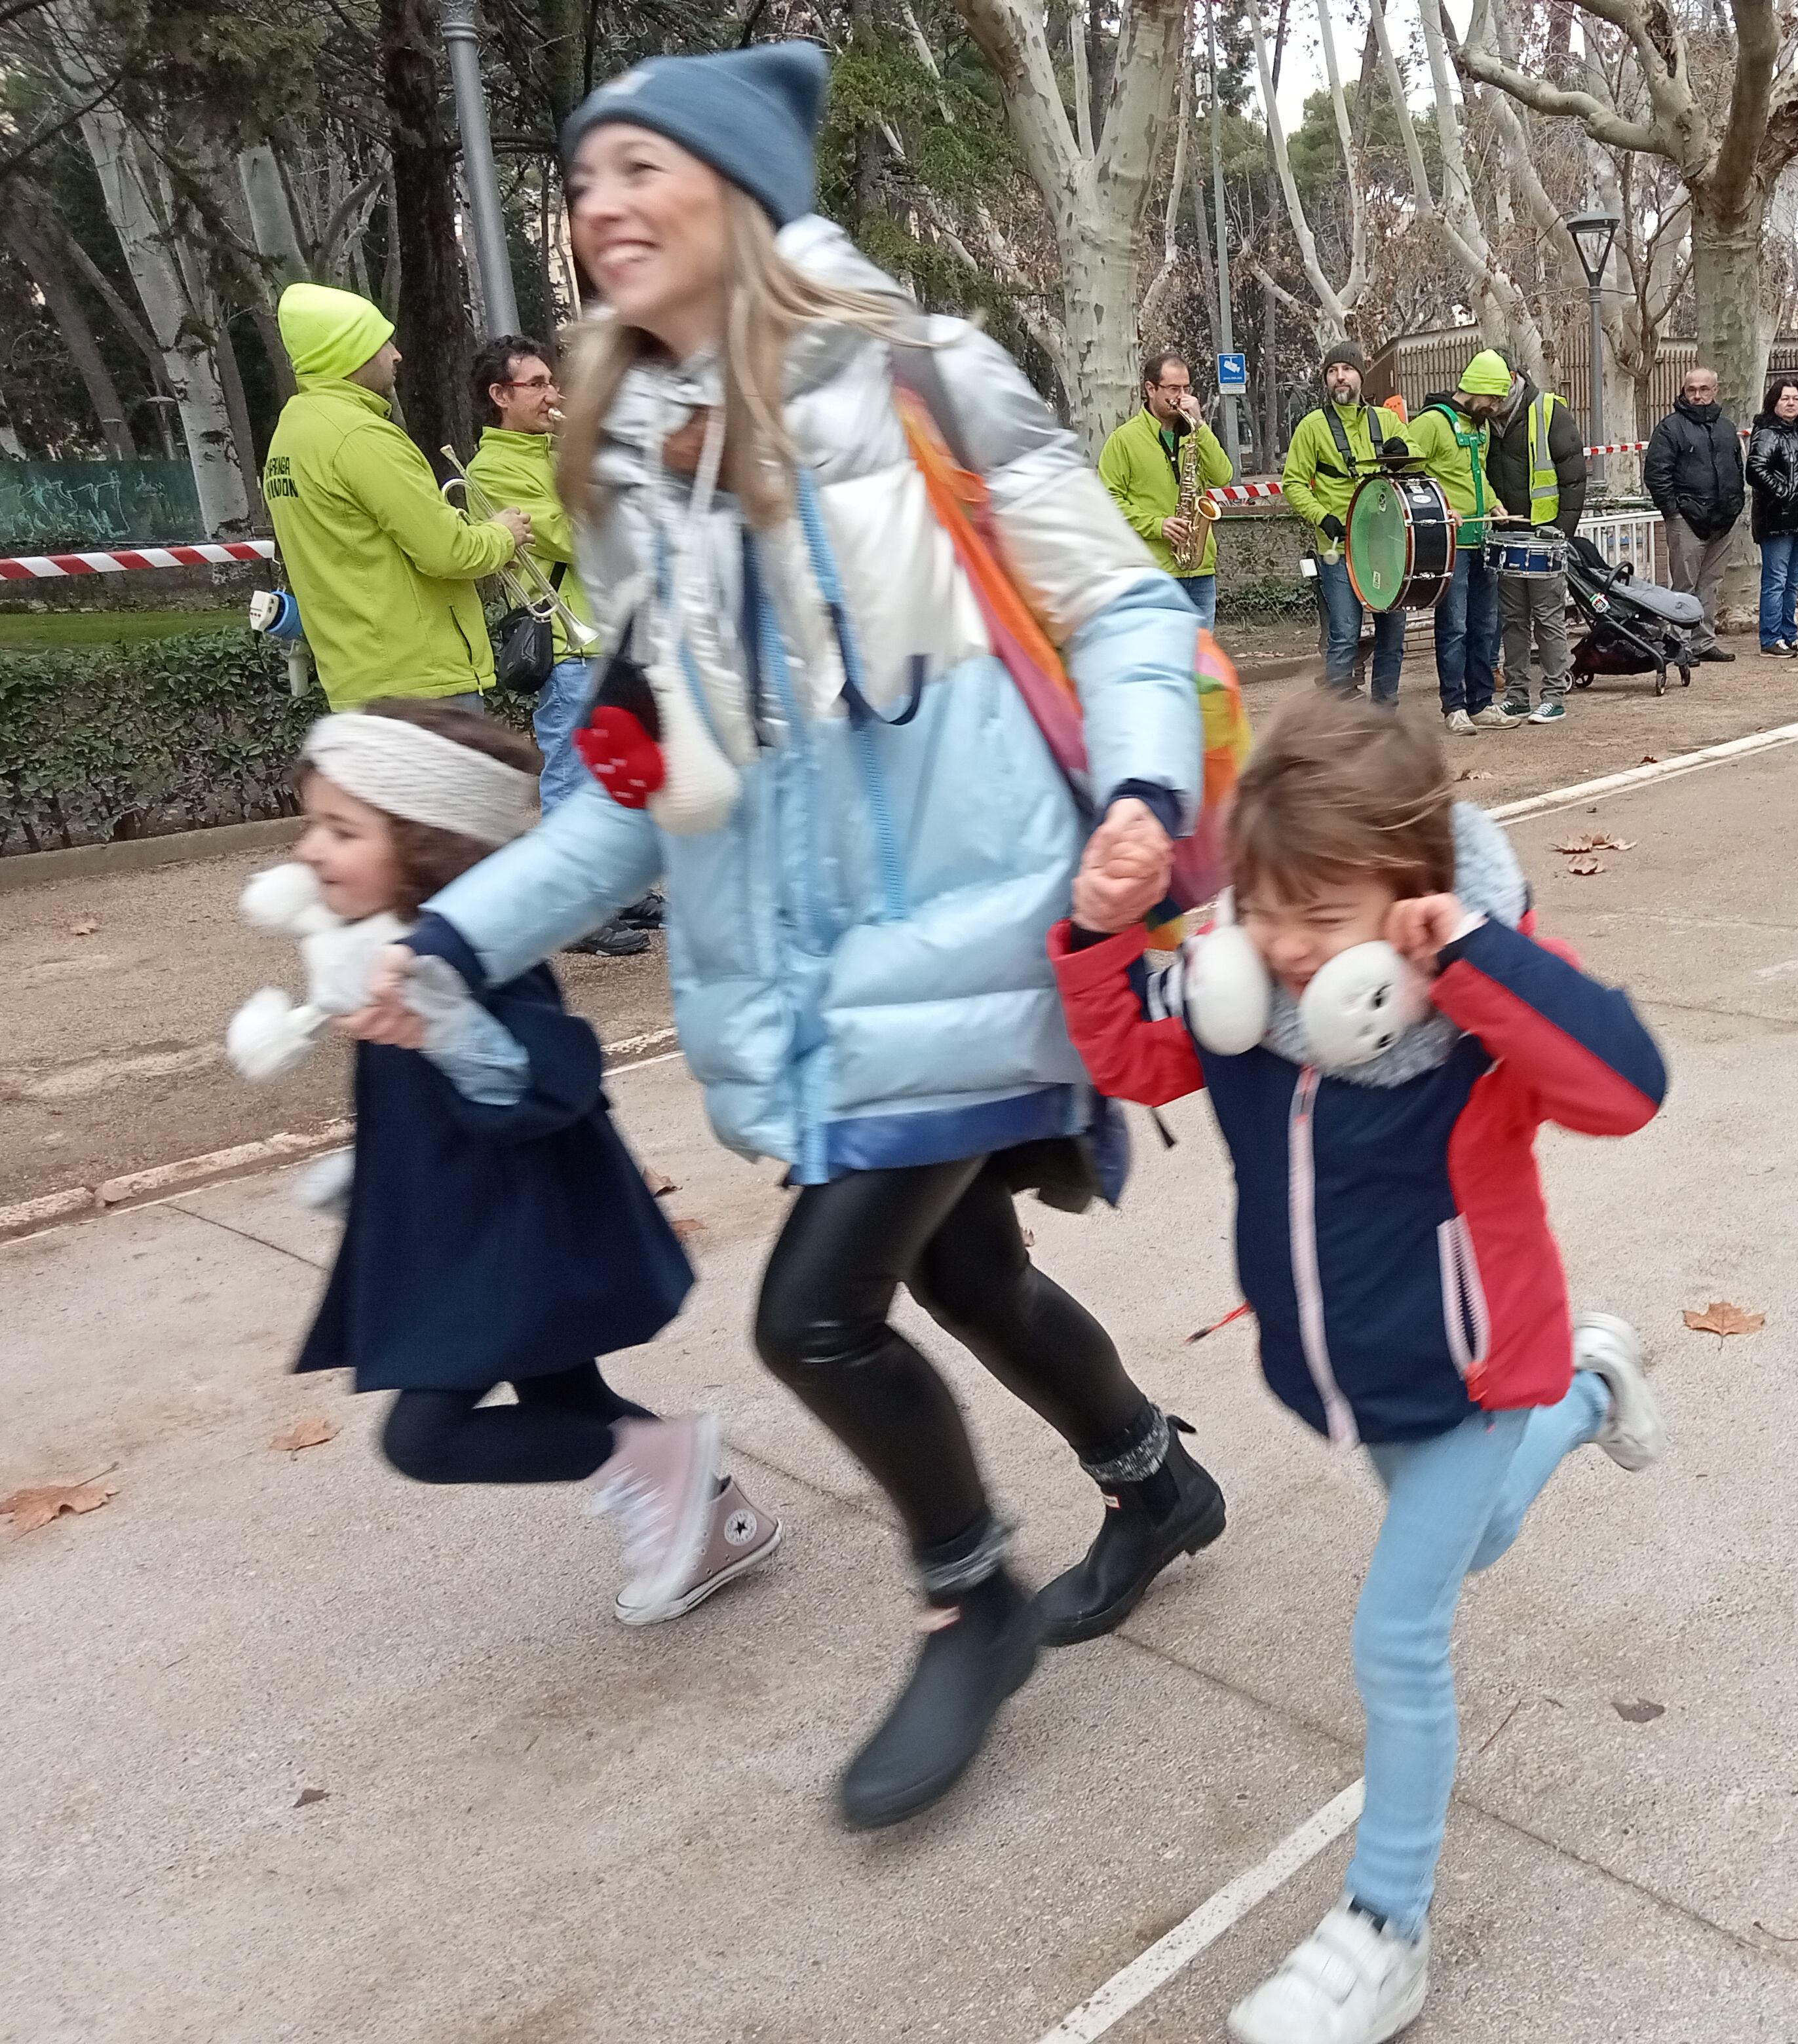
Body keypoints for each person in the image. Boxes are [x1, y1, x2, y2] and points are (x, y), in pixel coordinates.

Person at [356, 42, 1227, 1832]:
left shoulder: (919, 377)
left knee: (816, 1316)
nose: (600, 208)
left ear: (741, 191)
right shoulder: (631, 458)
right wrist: (450, 941)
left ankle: (964, 1590)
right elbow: (639, 783)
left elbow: (1126, 603)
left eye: (639, 170)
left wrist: (1144, 794)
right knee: (963, 1276)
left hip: (985, 938)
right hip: (811, 978)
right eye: (582, 180)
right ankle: (1153, 1485)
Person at [1048, 693, 1668, 2044]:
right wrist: (1099, 932)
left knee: (1398, 1633)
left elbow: (1628, 1088)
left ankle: (1384, 1931)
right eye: (1265, 910)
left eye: (1319, 921)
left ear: (1411, 905)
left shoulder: (1474, 1027)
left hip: (1471, 1371)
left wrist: (1482, 961)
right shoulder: (1249, 1007)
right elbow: (1124, 1053)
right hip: (1352, 1381)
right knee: (1476, 1541)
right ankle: (1592, 1394)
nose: (1283, 950)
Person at [284, 700, 780, 1623]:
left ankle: (667, 1464)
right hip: (477, 1231)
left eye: (341, 829)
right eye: (313, 823)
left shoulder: (477, 961)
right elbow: (423, 1108)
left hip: (511, 1242)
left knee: (426, 1440)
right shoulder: (393, 956)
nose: (311, 849)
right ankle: (710, 1516)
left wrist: (446, 1023)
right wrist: (368, 1172)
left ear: (431, 844)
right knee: (566, 1388)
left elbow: (552, 1079)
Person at [465, 333, 657, 958]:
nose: (553, 394)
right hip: (569, 642)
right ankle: (576, 911)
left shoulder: (561, 449)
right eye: (537, 384)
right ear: (500, 396)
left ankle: (621, 888)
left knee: (621, 773)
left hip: (615, 631)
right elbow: (578, 535)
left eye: (554, 381)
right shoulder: (494, 467)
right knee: (573, 779)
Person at [261, 284, 531, 710]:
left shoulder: (290, 436)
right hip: (423, 684)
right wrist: (503, 534)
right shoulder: (359, 436)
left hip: (360, 681)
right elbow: (447, 552)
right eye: (380, 341)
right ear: (348, 352)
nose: (396, 354)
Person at [1282, 346, 1408, 705]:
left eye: (1348, 369)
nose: (1340, 376)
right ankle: (1337, 721)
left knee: (1392, 633)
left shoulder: (1386, 421)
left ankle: (1385, 713)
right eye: (1333, 370)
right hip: (1338, 547)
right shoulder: (1312, 427)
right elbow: (1293, 482)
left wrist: (1402, 450)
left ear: (1360, 377)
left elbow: (1414, 457)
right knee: (1344, 634)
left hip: (1385, 544)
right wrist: (1324, 517)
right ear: (1325, 379)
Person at [1406, 352, 1522, 732]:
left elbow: (1479, 476)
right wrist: (1442, 508)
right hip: (1451, 544)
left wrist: (1493, 503)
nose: (1495, 406)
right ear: (1476, 390)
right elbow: (1408, 474)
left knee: (1485, 626)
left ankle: (1481, 703)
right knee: (1453, 626)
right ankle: (1453, 706)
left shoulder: (1481, 426)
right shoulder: (1431, 424)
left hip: (1482, 538)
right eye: (1493, 398)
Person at [1480, 352, 1587, 719]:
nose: (1487, 401)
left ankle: (1555, 694)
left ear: (1510, 378)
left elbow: (1573, 473)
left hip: (1544, 533)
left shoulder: (1548, 411)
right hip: (1505, 532)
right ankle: (1517, 694)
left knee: (1548, 617)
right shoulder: (1484, 415)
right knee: (1512, 619)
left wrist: (1562, 531)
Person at [1101, 351, 1236, 624]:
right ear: (1150, 389)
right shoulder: (1123, 440)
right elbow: (1107, 502)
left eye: (1186, 388)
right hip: (1153, 573)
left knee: (1201, 661)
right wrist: (1157, 525)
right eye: (1174, 388)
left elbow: (1223, 475)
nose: (1182, 396)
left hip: (1199, 571)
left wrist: (1200, 425)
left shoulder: (1194, 432)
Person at [1643, 364, 1746, 661]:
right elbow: (1657, 473)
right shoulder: (1670, 428)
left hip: (1723, 519)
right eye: (1692, 390)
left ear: (1715, 391)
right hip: (1686, 519)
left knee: (1710, 585)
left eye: (1704, 389)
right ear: (1684, 391)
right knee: (1684, 587)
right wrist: (1672, 512)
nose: (1698, 395)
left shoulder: (1726, 428)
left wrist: (1735, 506)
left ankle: (1703, 642)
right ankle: (1679, 645)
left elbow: (1737, 468)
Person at [1746, 376, 1798, 655]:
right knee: (1776, 580)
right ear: (1774, 402)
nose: (1791, 404)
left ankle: (1790, 633)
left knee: (1793, 580)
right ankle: (1770, 637)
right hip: (1777, 518)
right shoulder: (1767, 433)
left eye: (1796, 399)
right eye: (1785, 399)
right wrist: (1785, 492)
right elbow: (1755, 470)